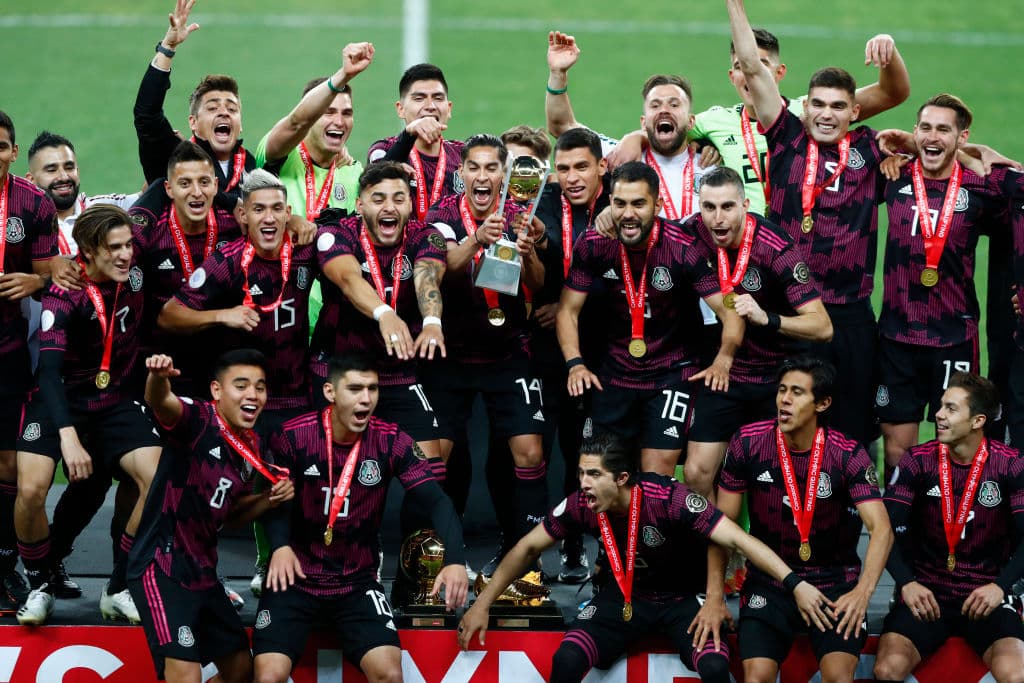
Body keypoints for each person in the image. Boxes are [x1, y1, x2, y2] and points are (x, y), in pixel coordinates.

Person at [458, 433, 834, 683]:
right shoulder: (582, 504)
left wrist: (794, 584)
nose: (583, 483)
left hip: (680, 602)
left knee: (717, 667)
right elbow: (526, 547)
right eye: (580, 473)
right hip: (622, 599)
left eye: (593, 474)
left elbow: (739, 540)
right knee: (566, 661)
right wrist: (483, 604)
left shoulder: (670, 501)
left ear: (622, 478)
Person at [725, 0, 891, 449]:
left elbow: (899, 94)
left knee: (853, 428)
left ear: (854, 111)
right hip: (788, 308)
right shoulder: (786, 134)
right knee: (782, 428)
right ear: (803, 106)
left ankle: (857, 516)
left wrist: (891, 54)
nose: (825, 113)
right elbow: (754, 68)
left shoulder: (872, 149)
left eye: (837, 105)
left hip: (850, 311)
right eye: (816, 103)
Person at [252, 352, 468, 683]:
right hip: (294, 578)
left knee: (389, 674)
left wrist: (454, 560)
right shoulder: (291, 436)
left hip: (357, 581)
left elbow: (437, 502)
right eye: (355, 389)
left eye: (372, 389)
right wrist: (279, 546)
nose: (366, 399)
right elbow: (275, 502)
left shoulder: (392, 439)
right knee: (268, 677)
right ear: (330, 392)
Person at [15, 205, 163, 625]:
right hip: (57, 399)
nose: (125, 255)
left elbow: (162, 192)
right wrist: (68, 436)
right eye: (113, 248)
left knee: (157, 475)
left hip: (113, 400)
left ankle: (119, 587)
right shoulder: (64, 296)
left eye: (128, 245)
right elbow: (47, 371)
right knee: (31, 489)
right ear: (88, 253)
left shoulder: (133, 268)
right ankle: (41, 584)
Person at [556, 162, 741, 476]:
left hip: (671, 374)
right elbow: (567, 310)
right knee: (600, 471)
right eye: (620, 203)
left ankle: (653, 527)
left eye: (638, 204)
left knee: (656, 472)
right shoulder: (594, 244)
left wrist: (724, 358)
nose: (628, 214)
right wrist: (575, 364)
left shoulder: (682, 248)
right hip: (614, 375)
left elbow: (729, 310)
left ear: (657, 205)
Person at [717, 356, 892, 683]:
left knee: (839, 678)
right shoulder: (748, 443)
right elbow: (722, 528)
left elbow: (881, 529)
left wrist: (862, 593)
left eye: (797, 392)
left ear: (822, 403)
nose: (784, 399)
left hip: (834, 584)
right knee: (756, 678)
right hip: (769, 584)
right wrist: (714, 597)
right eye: (782, 390)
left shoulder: (848, 454)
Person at [24, 131, 141, 601]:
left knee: (93, 482)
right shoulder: (21, 223)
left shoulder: (105, 214)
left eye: (68, 166)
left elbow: (163, 187)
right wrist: (42, 272)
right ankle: (29, 568)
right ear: (31, 179)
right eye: (50, 170)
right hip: (35, 374)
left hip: (97, 380)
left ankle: (109, 573)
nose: (63, 176)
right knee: (21, 481)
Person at [129, 350, 294, 683]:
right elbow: (161, 402)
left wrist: (268, 500)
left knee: (241, 672)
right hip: (162, 567)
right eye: (242, 385)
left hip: (203, 571)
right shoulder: (198, 419)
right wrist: (158, 377)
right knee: (185, 677)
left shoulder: (251, 445)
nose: (253, 395)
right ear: (217, 390)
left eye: (260, 387)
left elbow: (228, 516)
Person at [423, 134, 547, 573]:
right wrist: (477, 238)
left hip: (506, 351)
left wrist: (529, 251)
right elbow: (439, 269)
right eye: (473, 168)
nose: (482, 176)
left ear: (503, 174)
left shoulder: (520, 213)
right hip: (452, 355)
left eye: (491, 168)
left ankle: (524, 568)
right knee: (435, 454)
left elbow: (537, 280)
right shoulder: (440, 216)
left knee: (530, 452)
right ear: (462, 175)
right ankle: (434, 562)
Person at [874, 94, 1012, 473]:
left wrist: (982, 153)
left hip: (953, 337)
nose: (933, 137)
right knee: (898, 451)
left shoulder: (981, 187)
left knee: (952, 446)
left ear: (961, 137)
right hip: (896, 336)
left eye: (944, 130)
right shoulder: (892, 174)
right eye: (926, 128)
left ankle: (943, 524)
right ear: (915, 132)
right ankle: (901, 528)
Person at [684, 166, 832, 498]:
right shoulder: (691, 233)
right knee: (696, 473)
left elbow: (823, 326)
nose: (718, 218)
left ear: (745, 205)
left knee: (773, 479)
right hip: (725, 371)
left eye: (727, 207)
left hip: (776, 375)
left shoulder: (775, 247)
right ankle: (720, 549)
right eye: (709, 207)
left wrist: (770, 319)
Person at [874, 372, 1024, 683]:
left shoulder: (1011, 465)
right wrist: (907, 583)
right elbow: (883, 530)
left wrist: (1001, 587)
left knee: (1017, 674)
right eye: (941, 406)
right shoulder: (917, 461)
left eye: (951, 409)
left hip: (986, 597)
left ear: (977, 421)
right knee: (887, 670)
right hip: (927, 595)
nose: (938, 415)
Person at [158, 169, 317, 420]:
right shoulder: (227, 262)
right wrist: (222, 316)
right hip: (247, 404)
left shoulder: (305, 252)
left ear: (288, 213)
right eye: (259, 209)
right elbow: (169, 316)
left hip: (298, 399)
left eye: (277, 209)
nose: (268, 218)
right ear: (243, 214)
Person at [0, 111, 72, 614]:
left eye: (3, 145)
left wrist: (35, 280)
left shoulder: (31, 202)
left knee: (7, 463)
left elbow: (56, 271)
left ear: (12, 150)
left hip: (7, 354)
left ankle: (6, 566)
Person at [134, 0, 255, 199]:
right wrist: (168, 47)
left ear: (240, 124)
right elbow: (146, 115)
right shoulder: (175, 157)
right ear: (194, 123)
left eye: (232, 109)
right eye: (213, 108)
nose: (224, 112)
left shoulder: (249, 164)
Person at [368, 63, 463, 220]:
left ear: (449, 108)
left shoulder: (464, 155)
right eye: (419, 98)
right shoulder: (384, 149)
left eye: (438, 98)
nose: (430, 106)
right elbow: (375, 182)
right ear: (401, 109)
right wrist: (409, 134)